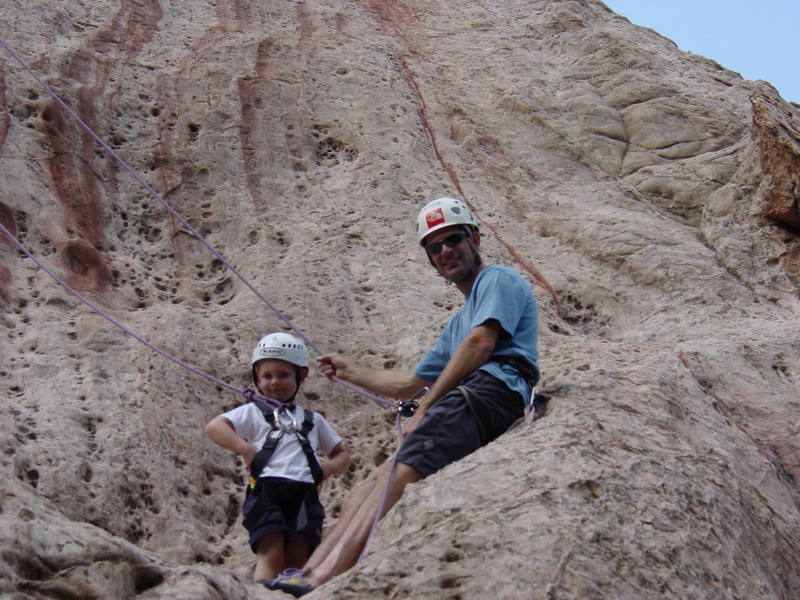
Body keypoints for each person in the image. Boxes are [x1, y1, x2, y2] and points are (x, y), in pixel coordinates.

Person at [277, 196, 540, 596]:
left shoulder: (497, 279)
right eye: (434, 247)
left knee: (397, 476)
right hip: (471, 396)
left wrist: (427, 408)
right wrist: (352, 371)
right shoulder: (458, 322)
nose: (445, 251)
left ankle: (320, 581)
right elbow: (410, 382)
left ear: (476, 239)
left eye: (453, 239)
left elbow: (481, 344)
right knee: (365, 490)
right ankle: (306, 570)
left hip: (491, 390)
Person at [205, 332, 351, 585]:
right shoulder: (253, 412)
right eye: (267, 376)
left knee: (299, 551)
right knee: (270, 550)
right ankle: (263, 591)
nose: (274, 382)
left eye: (283, 375)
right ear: (256, 379)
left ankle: (292, 590)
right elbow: (215, 427)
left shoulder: (312, 420)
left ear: (301, 376)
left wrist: (326, 469)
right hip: (267, 489)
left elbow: (343, 455)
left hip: (304, 490)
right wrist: (245, 449)